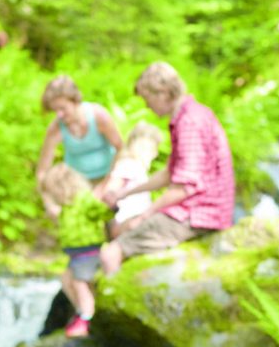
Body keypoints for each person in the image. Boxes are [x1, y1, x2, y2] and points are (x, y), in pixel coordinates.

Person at [101, 61, 235, 274]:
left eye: (147, 99)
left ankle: (106, 301)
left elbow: (185, 187)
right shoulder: (189, 115)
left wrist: (145, 216)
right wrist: (124, 193)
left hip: (199, 214)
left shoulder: (189, 122)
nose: (147, 106)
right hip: (200, 210)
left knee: (110, 252)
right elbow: (170, 174)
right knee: (122, 227)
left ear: (163, 92)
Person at [40, 163, 115, 338]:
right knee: (67, 279)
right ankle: (84, 311)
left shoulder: (84, 200)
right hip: (75, 254)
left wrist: (111, 206)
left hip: (88, 251)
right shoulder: (67, 207)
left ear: (63, 187)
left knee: (80, 283)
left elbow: (103, 212)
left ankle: (86, 317)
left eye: (54, 193)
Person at [35, 75, 123, 219]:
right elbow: (42, 171)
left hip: (109, 177)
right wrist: (48, 203)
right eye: (55, 110)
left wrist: (105, 185)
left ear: (74, 101)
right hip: (78, 185)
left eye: (63, 108)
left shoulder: (99, 117)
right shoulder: (56, 128)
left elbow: (121, 148)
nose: (59, 114)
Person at [105, 121, 164, 237]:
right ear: (131, 146)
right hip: (126, 220)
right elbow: (111, 188)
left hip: (136, 217)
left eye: (150, 149)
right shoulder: (128, 165)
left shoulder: (138, 168)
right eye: (142, 148)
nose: (146, 153)